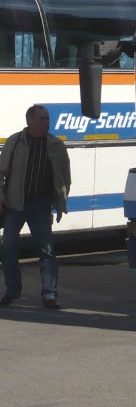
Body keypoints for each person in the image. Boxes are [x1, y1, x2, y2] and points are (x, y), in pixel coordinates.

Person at [0, 105, 71, 308]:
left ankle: (49, 294)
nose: (46, 122)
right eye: (42, 118)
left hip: (40, 205)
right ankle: (12, 291)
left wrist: (60, 203)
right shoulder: (15, 142)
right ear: (29, 121)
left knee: (46, 251)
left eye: (47, 118)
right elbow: (1, 172)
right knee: (9, 248)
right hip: (16, 204)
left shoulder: (56, 145)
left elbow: (65, 178)